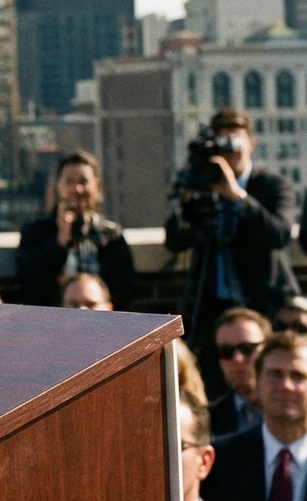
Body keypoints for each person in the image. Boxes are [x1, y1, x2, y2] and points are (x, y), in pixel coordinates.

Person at [168, 108, 299, 369]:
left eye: (236, 141)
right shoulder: (203, 185)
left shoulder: (273, 185)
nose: (231, 150)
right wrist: (188, 197)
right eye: (223, 143)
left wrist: (237, 196)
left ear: (251, 143)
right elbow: (174, 240)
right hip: (214, 307)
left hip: (264, 304)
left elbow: (280, 234)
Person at [202, 331, 307, 501]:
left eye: (298, 376)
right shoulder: (222, 458)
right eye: (274, 375)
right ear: (257, 383)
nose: (286, 385)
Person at [16, 151, 136, 309]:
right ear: (58, 187)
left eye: (83, 181)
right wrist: (60, 243)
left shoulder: (111, 236)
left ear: (97, 187)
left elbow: (125, 291)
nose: (77, 189)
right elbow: (29, 287)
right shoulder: (35, 231)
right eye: (69, 182)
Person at [210, 309, 272, 438]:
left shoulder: (297, 409)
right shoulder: (209, 419)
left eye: (247, 349)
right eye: (226, 351)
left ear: (269, 350)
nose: (237, 359)